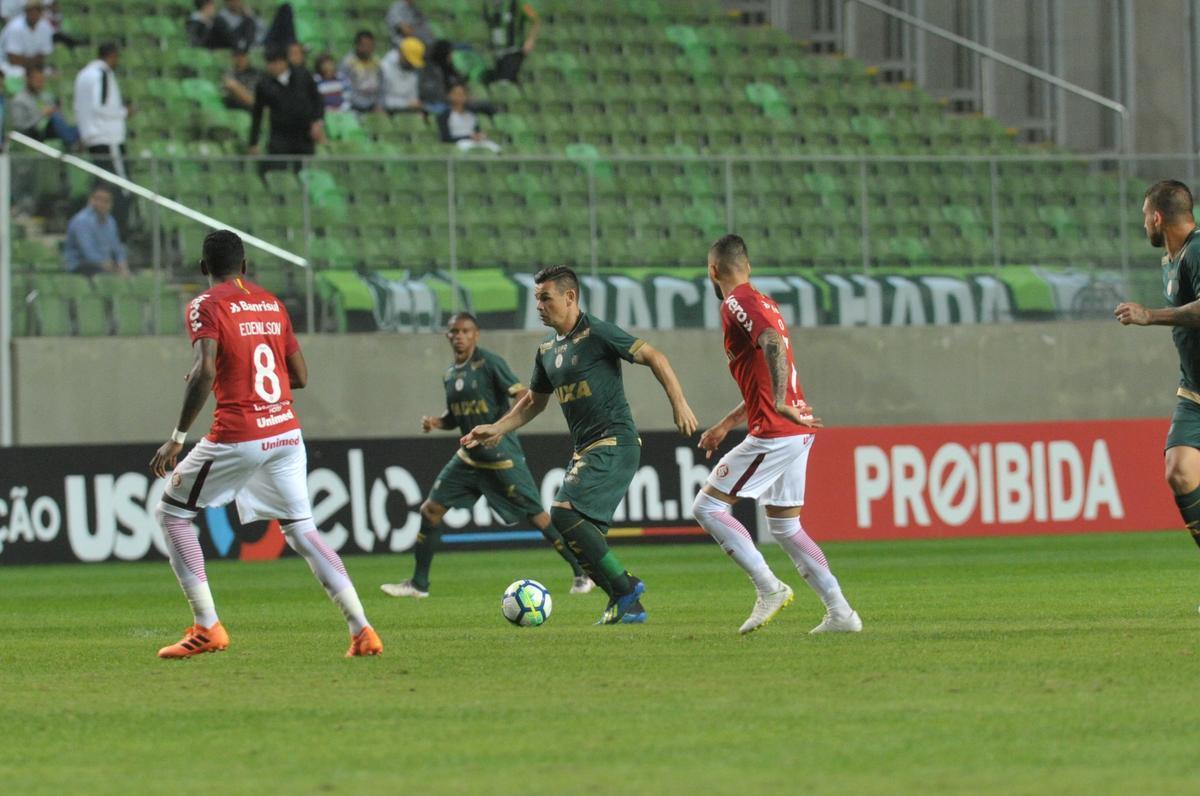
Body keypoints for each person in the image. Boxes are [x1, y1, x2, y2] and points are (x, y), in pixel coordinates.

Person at [148, 230, 383, 659]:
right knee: (303, 531)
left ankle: (207, 626)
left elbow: (203, 371)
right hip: (286, 432)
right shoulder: (272, 303)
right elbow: (300, 376)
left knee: (172, 513)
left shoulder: (206, 304)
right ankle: (362, 630)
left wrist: (177, 438)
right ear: (245, 266)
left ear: (204, 268)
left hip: (241, 433)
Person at [463, 265, 698, 625]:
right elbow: (533, 403)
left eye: (546, 297)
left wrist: (679, 404)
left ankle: (625, 587)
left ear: (570, 297)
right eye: (536, 298)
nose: (539, 305)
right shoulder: (546, 351)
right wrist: (496, 428)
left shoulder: (597, 333)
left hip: (615, 442)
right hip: (585, 450)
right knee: (581, 536)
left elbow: (655, 356)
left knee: (563, 513)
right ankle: (628, 604)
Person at [694, 235, 861, 635]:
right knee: (786, 527)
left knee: (707, 508)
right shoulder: (764, 302)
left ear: (713, 271)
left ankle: (768, 587)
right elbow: (763, 374)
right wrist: (725, 423)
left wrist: (782, 401)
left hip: (776, 431)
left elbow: (769, 344)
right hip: (795, 430)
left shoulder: (735, 303)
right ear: (747, 266)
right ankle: (841, 613)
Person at [381, 313, 591, 599]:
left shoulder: (490, 363)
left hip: (501, 456)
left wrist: (500, 428)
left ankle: (583, 572)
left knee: (539, 517)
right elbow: (455, 418)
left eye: (465, 330)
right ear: (447, 336)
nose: (459, 336)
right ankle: (419, 584)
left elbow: (523, 396)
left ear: (476, 334)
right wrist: (436, 422)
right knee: (430, 510)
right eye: (454, 331)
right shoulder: (450, 374)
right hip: (468, 458)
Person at [1115, 181, 1200, 583]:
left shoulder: (1198, 251)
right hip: (1194, 390)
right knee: (1179, 468)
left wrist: (1151, 316)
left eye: (1144, 218)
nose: (1143, 225)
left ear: (1157, 217)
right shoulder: (1172, 259)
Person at [74, 41, 131, 226]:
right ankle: (120, 227)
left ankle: (101, 226)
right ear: (112, 56)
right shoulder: (103, 74)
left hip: (92, 137)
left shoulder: (82, 75)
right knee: (121, 187)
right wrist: (123, 112)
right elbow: (100, 105)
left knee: (102, 185)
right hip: (107, 137)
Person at [248, 44, 324, 175]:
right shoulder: (264, 85)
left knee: (303, 174)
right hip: (280, 137)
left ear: (284, 62)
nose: (271, 67)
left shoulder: (303, 75)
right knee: (278, 173)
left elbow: (317, 100)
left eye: (275, 63)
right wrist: (253, 142)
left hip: (303, 136)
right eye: (269, 63)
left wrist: (317, 122)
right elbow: (257, 114)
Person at [63, 185, 128, 277]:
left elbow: (117, 247)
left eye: (106, 201)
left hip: (105, 265)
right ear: (91, 200)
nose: (101, 204)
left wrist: (122, 263)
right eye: (98, 199)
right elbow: (87, 251)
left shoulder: (110, 221)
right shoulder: (81, 221)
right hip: (80, 265)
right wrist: (108, 265)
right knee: (103, 273)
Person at [9, 63, 77, 146]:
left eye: (42, 80)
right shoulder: (19, 100)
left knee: (78, 127)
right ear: (28, 79)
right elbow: (20, 127)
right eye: (37, 80)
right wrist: (41, 114)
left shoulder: (46, 96)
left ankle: (76, 141)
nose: (40, 83)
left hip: (48, 131)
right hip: (32, 134)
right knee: (55, 117)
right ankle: (73, 143)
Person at [481, 0, 539, 85]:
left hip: (513, 51)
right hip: (497, 53)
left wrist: (530, 40)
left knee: (503, 82)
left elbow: (536, 20)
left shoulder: (519, 3)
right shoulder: (488, 6)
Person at [436, 82, 499, 153]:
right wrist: (468, 137)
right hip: (457, 144)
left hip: (473, 142)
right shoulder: (444, 115)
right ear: (450, 95)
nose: (460, 97)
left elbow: (476, 131)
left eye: (462, 94)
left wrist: (479, 136)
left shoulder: (472, 114)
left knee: (494, 148)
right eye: (457, 94)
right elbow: (446, 139)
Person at [0, 0, 54, 77]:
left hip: (30, 65)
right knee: (18, 73)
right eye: (31, 11)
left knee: (50, 72)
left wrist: (30, 61)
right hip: (7, 64)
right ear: (26, 12)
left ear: (41, 12)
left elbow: (44, 55)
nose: (34, 14)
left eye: (37, 10)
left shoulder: (45, 27)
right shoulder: (16, 27)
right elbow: (14, 59)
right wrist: (34, 61)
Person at [338, 30, 382, 113]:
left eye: (371, 45)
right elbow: (344, 89)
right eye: (364, 45)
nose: (368, 49)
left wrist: (378, 104)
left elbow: (382, 85)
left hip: (374, 105)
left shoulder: (376, 62)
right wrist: (362, 104)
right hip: (354, 106)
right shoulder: (347, 63)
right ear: (357, 45)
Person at [380, 35, 424, 113]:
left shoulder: (412, 71)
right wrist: (407, 104)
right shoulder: (384, 68)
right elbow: (383, 100)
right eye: (409, 61)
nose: (412, 65)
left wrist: (415, 105)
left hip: (406, 112)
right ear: (401, 53)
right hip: (386, 113)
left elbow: (413, 98)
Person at [221, 47, 259, 112]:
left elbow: (254, 101)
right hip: (231, 107)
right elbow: (223, 94)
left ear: (248, 56)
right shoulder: (228, 73)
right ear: (232, 58)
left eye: (243, 55)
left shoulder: (257, 73)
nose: (240, 59)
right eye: (237, 56)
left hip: (251, 109)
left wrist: (235, 87)